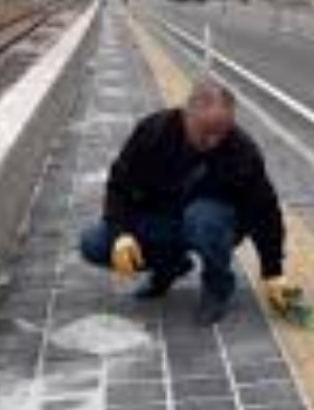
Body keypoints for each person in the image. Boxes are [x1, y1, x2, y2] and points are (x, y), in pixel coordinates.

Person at [79, 79, 293, 326]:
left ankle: (217, 286)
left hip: (212, 224)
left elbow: (265, 211)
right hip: (162, 218)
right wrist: (121, 234)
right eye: (205, 131)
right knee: (94, 243)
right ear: (186, 116)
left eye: (221, 132)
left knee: (203, 219)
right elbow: (119, 184)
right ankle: (170, 265)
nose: (213, 141)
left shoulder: (242, 150)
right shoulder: (154, 131)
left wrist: (273, 272)